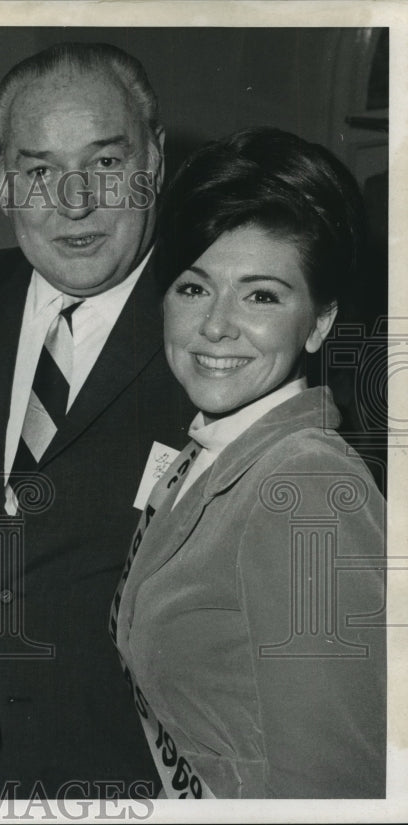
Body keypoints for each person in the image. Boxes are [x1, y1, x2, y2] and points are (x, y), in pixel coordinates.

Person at [0, 42, 192, 798]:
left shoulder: (215, 339)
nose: (74, 202)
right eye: (39, 171)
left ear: (155, 162)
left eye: (105, 164)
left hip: (127, 782)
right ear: (2, 180)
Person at [110, 127, 385, 799]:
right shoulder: (207, 450)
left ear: (318, 323)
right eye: (194, 288)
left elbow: (336, 785)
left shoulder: (306, 487)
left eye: (261, 295)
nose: (215, 326)